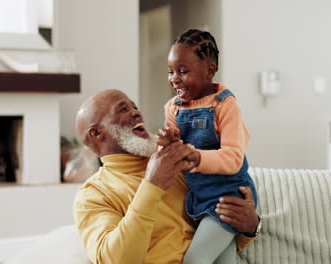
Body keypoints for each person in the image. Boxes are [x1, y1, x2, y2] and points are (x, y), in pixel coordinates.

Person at [73, 89, 260, 264]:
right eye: (123, 109)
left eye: (135, 107)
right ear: (97, 133)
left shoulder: (179, 162)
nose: (137, 113)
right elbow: (116, 259)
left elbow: (215, 234)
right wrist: (152, 185)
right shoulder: (93, 194)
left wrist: (249, 227)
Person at [163, 29, 257, 264]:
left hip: (228, 197)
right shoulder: (173, 108)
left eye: (183, 72)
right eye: (171, 71)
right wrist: (167, 145)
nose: (174, 78)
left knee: (195, 260)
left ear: (209, 72)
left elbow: (234, 158)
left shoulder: (225, 105)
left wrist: (196, 157)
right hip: (200, 197)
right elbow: (174, 151)